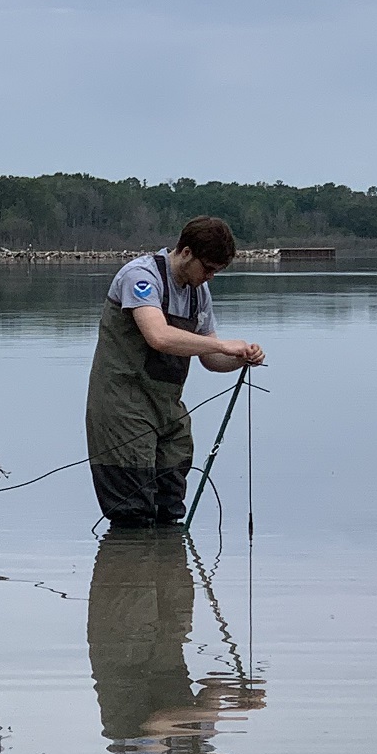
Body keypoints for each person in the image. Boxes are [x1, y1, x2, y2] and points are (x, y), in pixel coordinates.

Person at [85, 215, 265, 529]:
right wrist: (223, 346)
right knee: (133, 511)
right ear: (185, 252)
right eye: (207, 268)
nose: (210, 277)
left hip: (167, 410)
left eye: (216, 272)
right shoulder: (140, 277)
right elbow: (159, 336)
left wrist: (241, 357)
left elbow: (210, 359)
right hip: (122, 405)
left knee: (170, 504)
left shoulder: (200, 293)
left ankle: (169, 572)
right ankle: (129, 573)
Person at [86, 529, 265, 754]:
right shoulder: (200, 748)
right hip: (164, 652)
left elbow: (158, 723)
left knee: (138, 576)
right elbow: (209, 691)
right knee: (174, 580)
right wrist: (237, 694)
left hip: (124, 656)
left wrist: (220, 712)